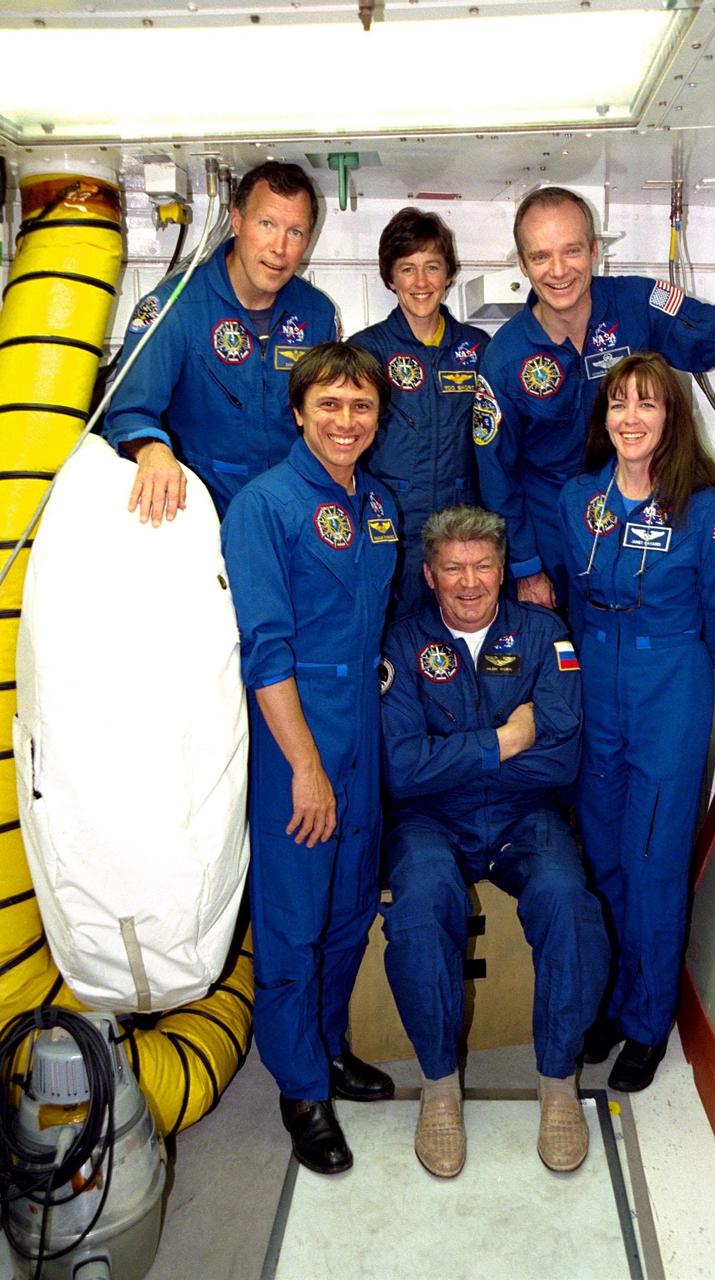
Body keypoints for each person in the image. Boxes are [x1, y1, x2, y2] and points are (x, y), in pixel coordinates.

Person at [379, 505, 609, 1177]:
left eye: (483, 566)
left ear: (503, 571)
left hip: (523, 814)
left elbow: (560, 757)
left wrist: (453, 754)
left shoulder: (543, 634)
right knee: (419, 911)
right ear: (428, 575)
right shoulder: (400, 644)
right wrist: (506, 738)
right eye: (453, 568)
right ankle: (439, 1087)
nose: (469, 582)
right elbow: (402, 768)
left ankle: (558, 1082)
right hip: (431, 817)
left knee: (570, 903)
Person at [220, 342, 399, 1175]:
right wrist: (303, 766)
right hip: (300, 731)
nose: (345, 421)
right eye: (328, 405)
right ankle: (299, 1090)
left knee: (347, 907)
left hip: (363, 721)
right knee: (293, 921)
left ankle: (327, 1049)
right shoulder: (264, 506)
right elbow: (266, 651)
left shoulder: (379, 506)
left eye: (360, 406)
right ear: (298, 412)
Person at [475, 185, 715, 606]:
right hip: (553, 543)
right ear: (523, 264)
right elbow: (495, 475)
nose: (558, 270)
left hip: (639, 529)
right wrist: (526, 569)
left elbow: (701, 326)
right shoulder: (504, 358)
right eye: (541, 256)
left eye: (572, 251)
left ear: (595, 250)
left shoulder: (636, 303)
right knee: (555, 665)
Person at [557, 352, 715, 1093]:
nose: (629, 418)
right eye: (617, 405)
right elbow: (570, 593)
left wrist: (668, 666)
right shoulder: (578, 499)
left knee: (653, 866)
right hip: (594, 688)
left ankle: (645, 1021)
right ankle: (607, 1003)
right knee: (600, 857)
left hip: (669, 683)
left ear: (671, 418)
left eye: (646, 405)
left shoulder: (710, 509)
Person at [104, 161, 337, 524]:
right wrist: (151, 450)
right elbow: (129, 412)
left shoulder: (317, 314)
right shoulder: (174, 308)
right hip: (204, 516)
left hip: (291, 515)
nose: (279, 248)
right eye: (267, 224)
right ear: (237, 222)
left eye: (295, 232)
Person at [351, 208, 490, 613]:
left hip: (461, 532)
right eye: (407, 269)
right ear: (390, 278)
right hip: (390, 529)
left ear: (448, 275)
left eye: (432, 266)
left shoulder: (477, 349)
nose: (421, 281)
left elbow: (498, 444)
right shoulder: (366, 351)